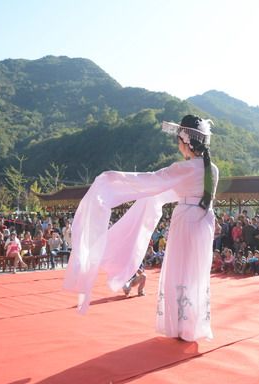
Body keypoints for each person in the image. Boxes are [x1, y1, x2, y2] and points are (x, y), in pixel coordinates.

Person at [64, 114, 219, 341]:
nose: (178, 145)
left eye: (179, 141)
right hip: (204, 220)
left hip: (186, 219)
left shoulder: (183, 168)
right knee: (196, 272)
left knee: (179, 270)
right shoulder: (212, 169)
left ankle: (179, 326)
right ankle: (194, 326)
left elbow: (151, 180)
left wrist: (113, 178)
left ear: (187, 142)